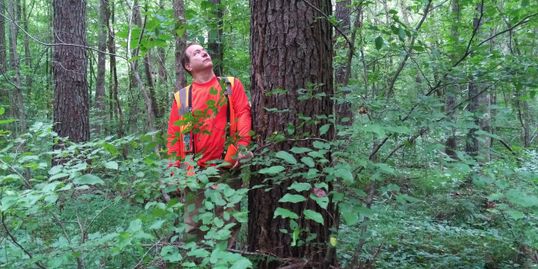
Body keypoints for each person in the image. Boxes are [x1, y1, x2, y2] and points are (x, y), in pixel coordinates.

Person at [166, 43, 253, 245]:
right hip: (193, 173)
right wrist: (173, 171)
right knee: (193, 227)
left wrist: (242, 145)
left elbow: (242, 114)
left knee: (229, 224)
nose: (203, 52)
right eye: (196, 52)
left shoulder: (230, 85)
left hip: (227, 167)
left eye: (203, 49)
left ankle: (226, 261)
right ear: (188, 66)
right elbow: (174, 137)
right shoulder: (182, 98)